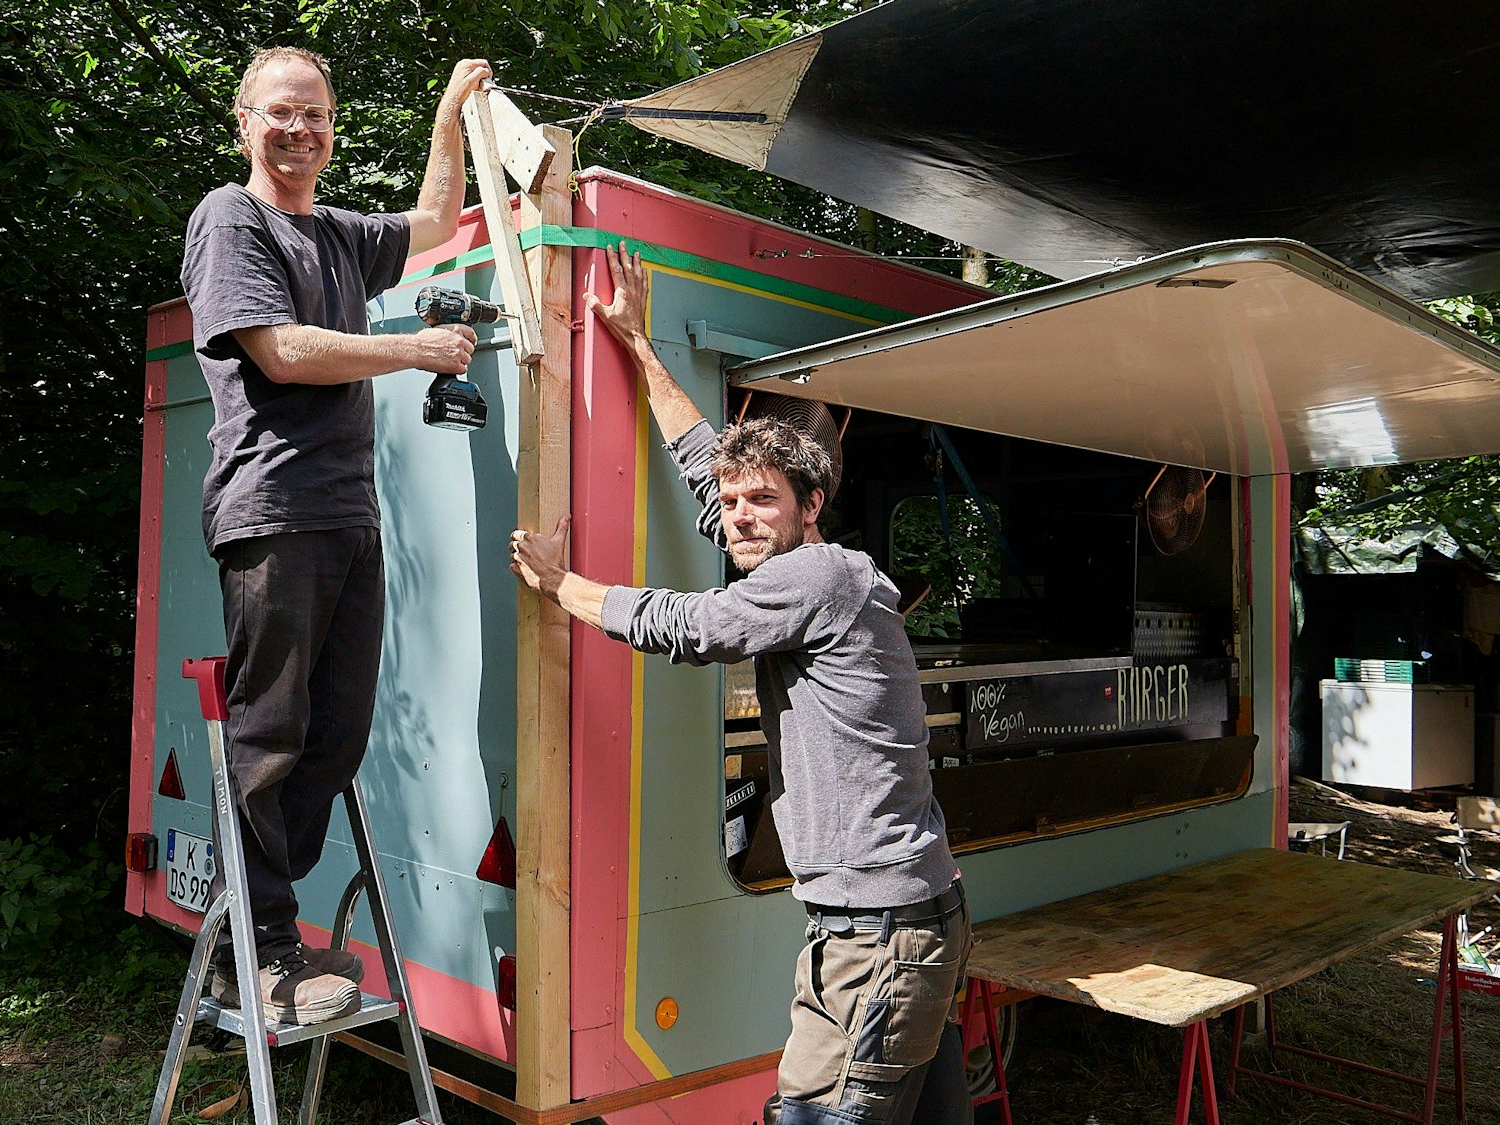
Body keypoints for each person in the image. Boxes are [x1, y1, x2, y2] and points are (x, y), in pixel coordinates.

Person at [509, 246, 975, 1125]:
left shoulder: (816, 580)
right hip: (905, 918)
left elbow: (688, 626)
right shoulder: (818, 568)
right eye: (731, 504)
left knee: (813, 1113)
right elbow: (703, 466)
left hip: (877, 938)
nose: (738, 517)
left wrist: (558, 584)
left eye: (762, 499)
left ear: (812, 502)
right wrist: (640, 345)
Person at [179, 48, 491, 1026]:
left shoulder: (340, 234)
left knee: (336, 735)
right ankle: (262, 951)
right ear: (243, 121)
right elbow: (280, 350)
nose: (299, 131)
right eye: (280, 114)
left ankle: (253, 931)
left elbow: (436, 222)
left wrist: (447, 112)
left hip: (348, 517)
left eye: (313, 115)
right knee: (268, 739)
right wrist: (411, 349)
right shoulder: (231, 220)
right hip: (273, 509)